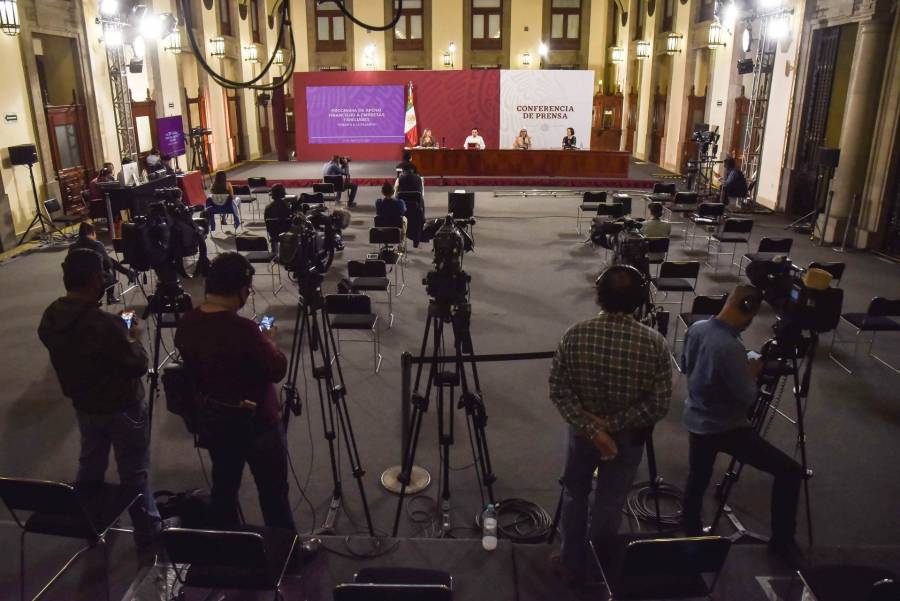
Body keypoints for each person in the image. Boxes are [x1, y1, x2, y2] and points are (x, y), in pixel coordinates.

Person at [549, 265, 671, 586]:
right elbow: (658, 405)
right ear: (639, 300)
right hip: (628, 440)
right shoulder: (655, 344)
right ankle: (596, 569)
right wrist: (613, 426)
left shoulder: (575, 335)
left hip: (582, 434)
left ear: (599, 297)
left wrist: (594, 431)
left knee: (575, 493)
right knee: (611, 500)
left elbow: (559, 391)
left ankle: (571, 562)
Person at [38, 249, 162, 545]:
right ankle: (148, 530)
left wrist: (118, 329)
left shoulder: (52, 316)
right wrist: (132, 335)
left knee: (91, 464)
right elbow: (137, 363)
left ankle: (91, 521)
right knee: (134, 470)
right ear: (96, 279)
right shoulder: (105, 326)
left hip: (85, 405)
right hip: (122, 407)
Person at [174, 253, 295, 531]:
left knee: (224, 489)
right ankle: (287, 555)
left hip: (215, 420)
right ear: (241, 289)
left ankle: (226, 550)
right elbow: (277, 369)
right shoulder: (245, 330)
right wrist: (269, 343)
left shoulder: (188, 322)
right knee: (274, 494)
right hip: (259, 423)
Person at [681, 285, 803, 559]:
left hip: (695, 419)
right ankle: (782, 543)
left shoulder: (697, 328)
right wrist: (751, 371)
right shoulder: (731, 347)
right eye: (751, 317)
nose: (750, 324)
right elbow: (748, 398)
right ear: (746, 309)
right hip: (726, 427)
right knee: (790, 472)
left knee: (697, 477)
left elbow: (687, 365)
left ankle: (689, 532)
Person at [69, 222, 135, 305]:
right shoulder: (96, 245)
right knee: (110, 266)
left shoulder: (72, 247)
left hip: (76, 281)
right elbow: (108, 264)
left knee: (106, 259)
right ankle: (110, 296)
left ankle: (127, 272)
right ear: (93, 233)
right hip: (96, 281)